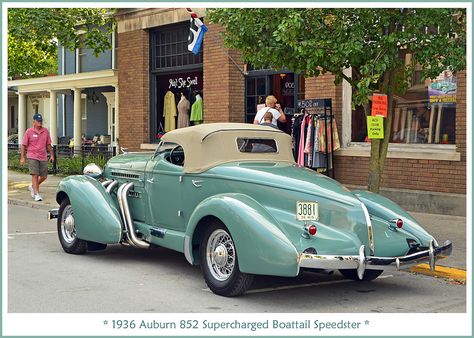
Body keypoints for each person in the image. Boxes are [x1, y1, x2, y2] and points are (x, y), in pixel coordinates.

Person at [20, 113, 54, 201]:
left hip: (42, 156)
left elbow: (49, 144)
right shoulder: (29, 131)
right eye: (38, 121)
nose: (40, 122)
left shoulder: (45, 131)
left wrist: (52, 155)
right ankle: (36, 194)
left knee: (44, 176)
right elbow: (23, 145)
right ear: (33, 122)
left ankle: (32, 187)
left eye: (41, 121)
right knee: (35, 174)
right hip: (32, 156)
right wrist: (22, 157)